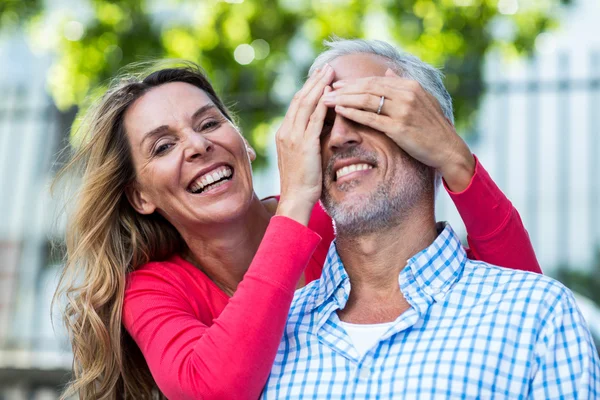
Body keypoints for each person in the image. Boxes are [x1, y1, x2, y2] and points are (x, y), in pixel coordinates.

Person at [54, 54, 541, 399]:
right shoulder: (152, 287)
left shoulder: (339, 225)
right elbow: (215, 389)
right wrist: (297, 201)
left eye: (208, 124)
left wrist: (454, 158)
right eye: (162, 147)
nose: (197, 146)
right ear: (139, 196)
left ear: (243, 143)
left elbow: (514, 294)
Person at [262, 39, 600, 399]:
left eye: (367, 110)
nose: (340, 136)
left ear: (431, 137)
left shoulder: (538, 315)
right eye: (320, 122)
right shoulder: (267, 337)